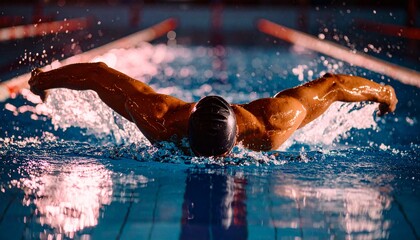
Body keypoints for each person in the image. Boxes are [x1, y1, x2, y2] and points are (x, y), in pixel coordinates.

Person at [28, 62, 397, 157]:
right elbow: (332, 85)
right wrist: (383, 93)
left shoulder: (160, 122)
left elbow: (97, 75)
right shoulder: (160, 121)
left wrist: (41, 81)